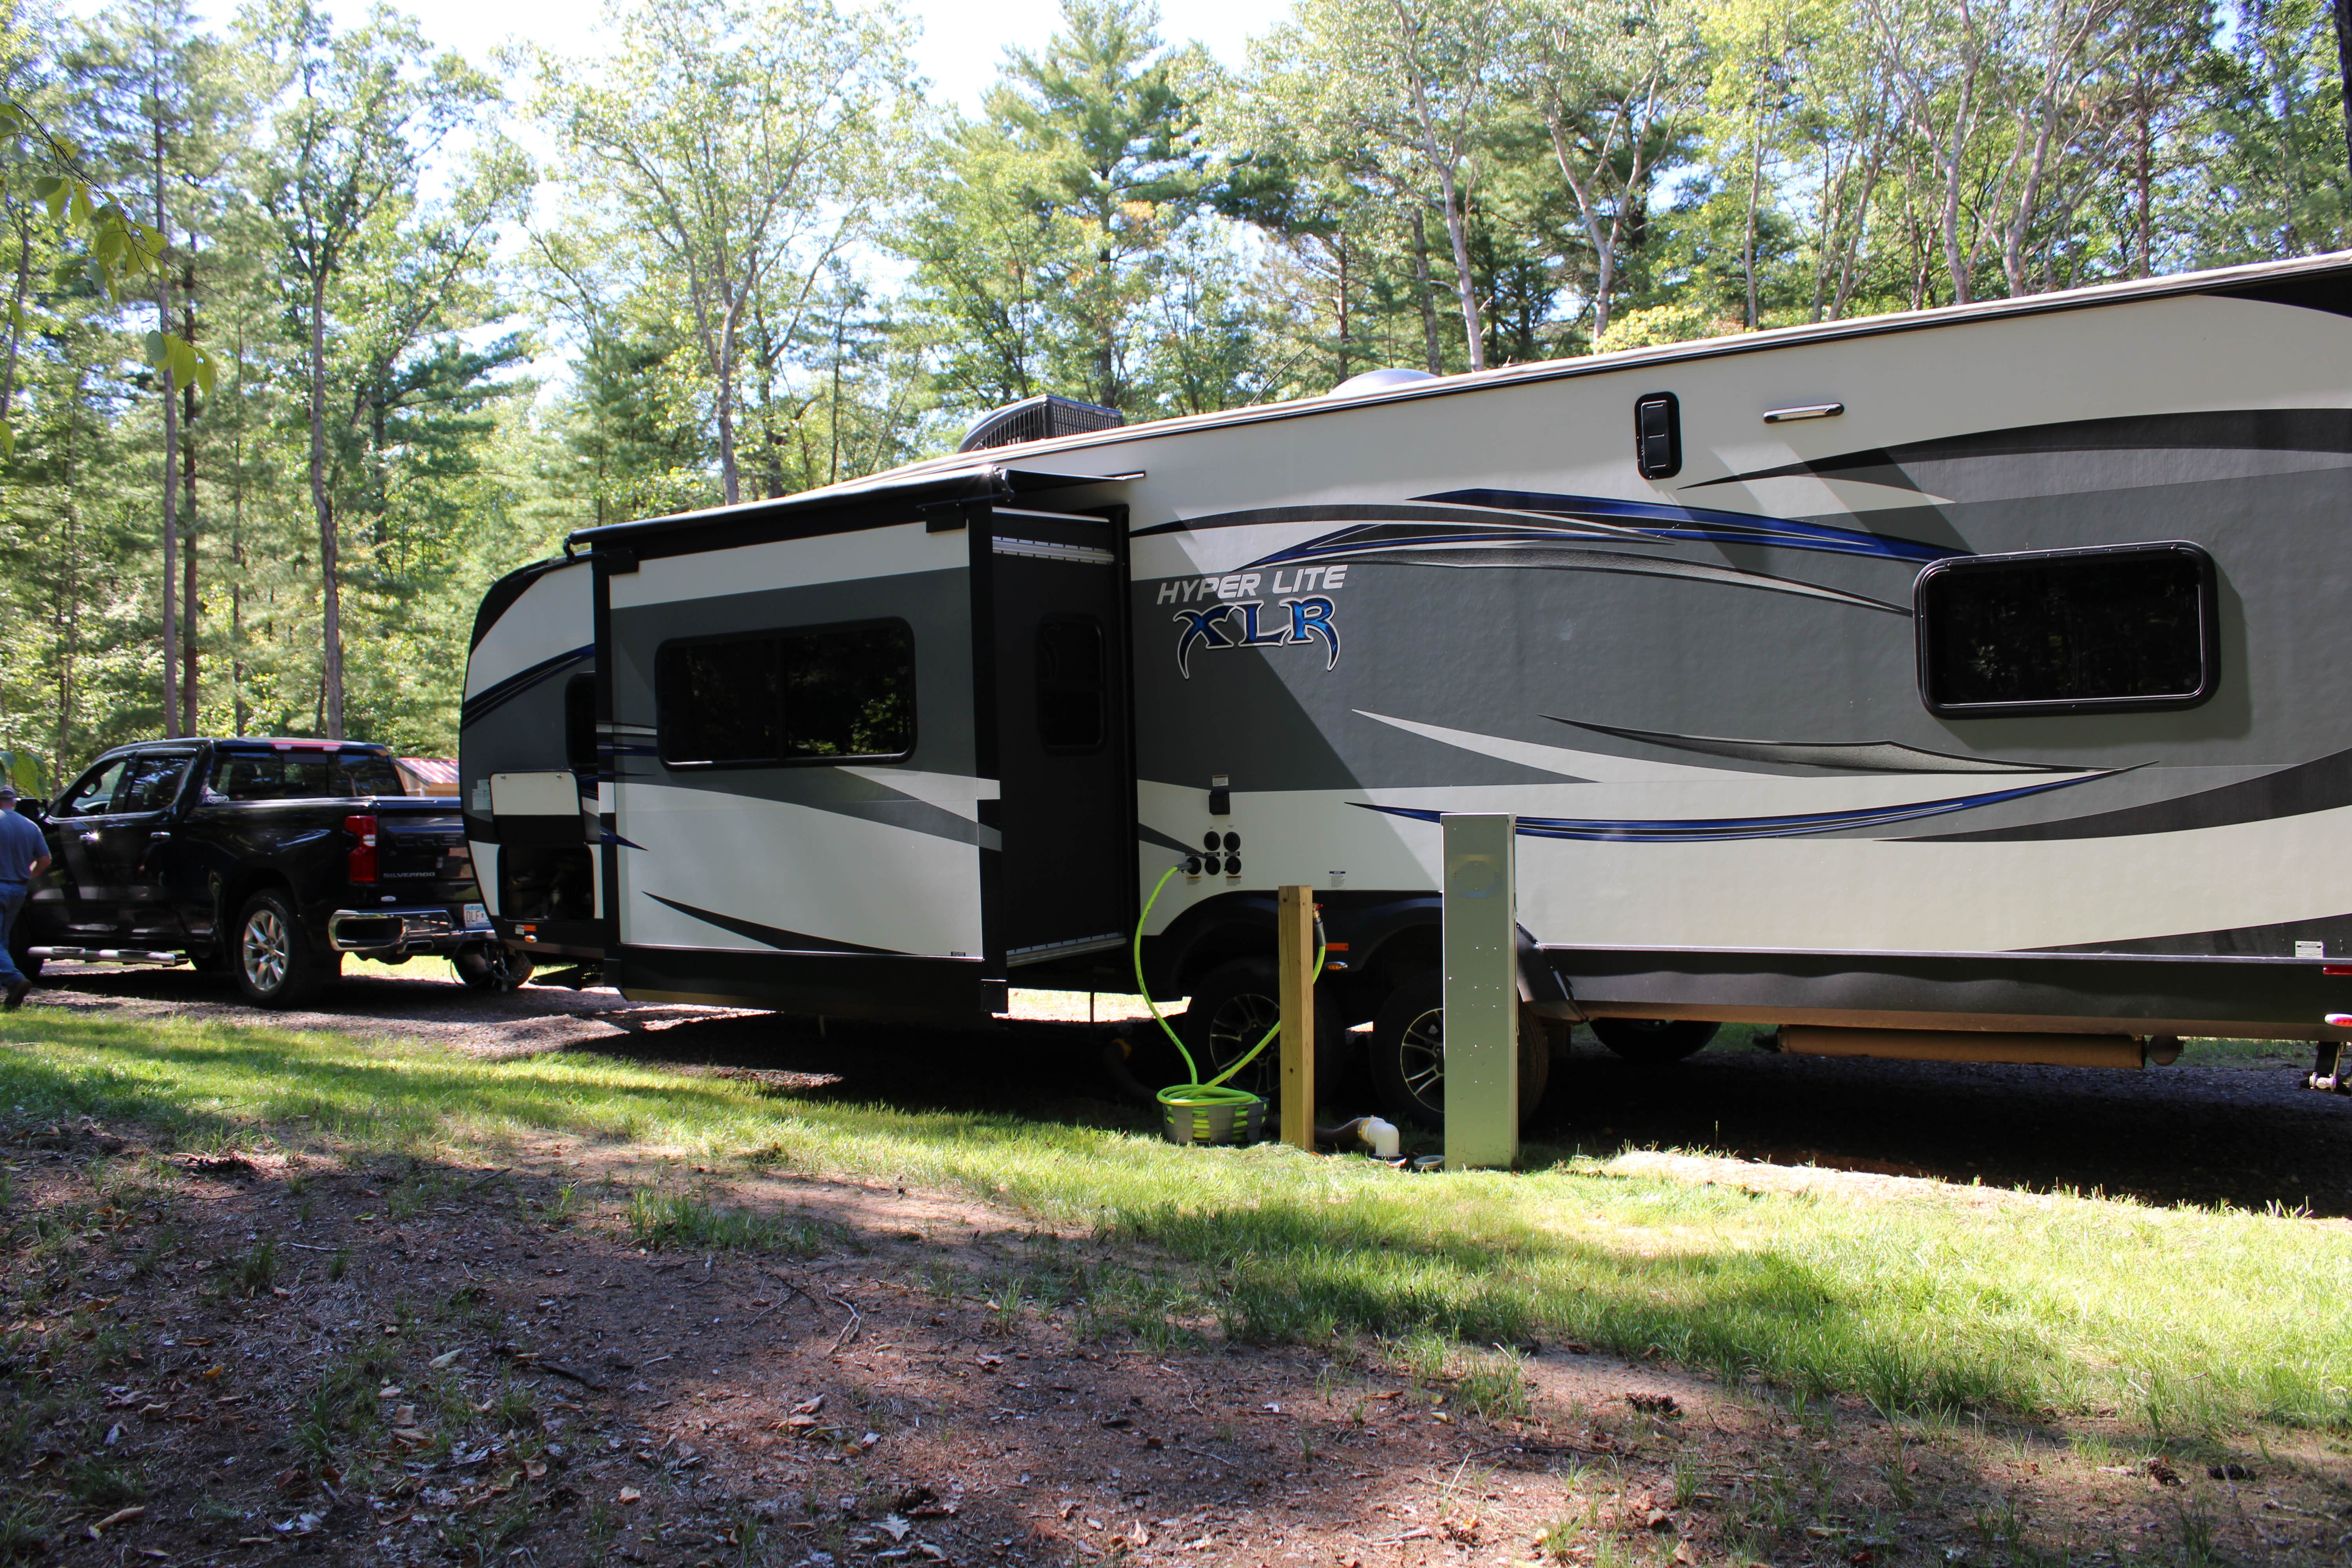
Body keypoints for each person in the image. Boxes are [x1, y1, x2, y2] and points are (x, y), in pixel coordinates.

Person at [0, 781, 50, 1009]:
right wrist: (27, 877)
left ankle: (14, 980)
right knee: (3, 941)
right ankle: (12, 988)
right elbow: (45, 861)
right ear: (14, 802)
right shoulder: (31, 826)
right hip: (18, 889)